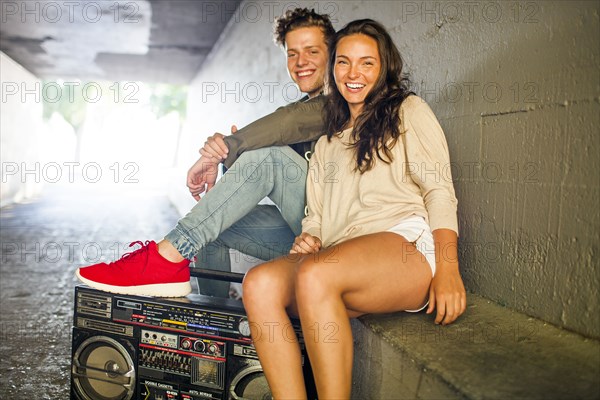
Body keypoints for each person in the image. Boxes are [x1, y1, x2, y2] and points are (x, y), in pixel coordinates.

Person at [241, 19, 467, 399]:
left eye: (367, 62)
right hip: (341, 258)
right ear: (333, 69)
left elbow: (440, 192)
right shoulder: (329, 142)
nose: (353, 73)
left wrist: (448, 269)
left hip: (405, 249)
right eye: (343, 62)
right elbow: (316, 215)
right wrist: (309, 237)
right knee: (259, 284)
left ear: (384, 68)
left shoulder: (408, 111)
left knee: (316, 274)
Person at [75, 8, 334, 297]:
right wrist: (229, 152)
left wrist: (229, 146)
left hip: (339, 236)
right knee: (212, 226)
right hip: (305, 231)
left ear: (333, 54)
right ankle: (211, 319)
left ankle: (164, 259)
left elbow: (290, 122)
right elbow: (278, 142)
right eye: (292, 53)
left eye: (312, 51)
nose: (301, 62)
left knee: (268, 155)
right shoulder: (300, 109)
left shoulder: (343, 101)